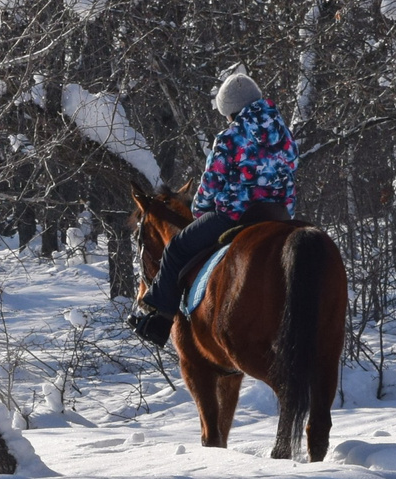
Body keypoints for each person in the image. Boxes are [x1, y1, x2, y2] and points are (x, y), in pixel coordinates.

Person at [128, 67, 298, 347]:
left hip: (236, 215)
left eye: (227, 114)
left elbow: (210, 184)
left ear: (231, 110)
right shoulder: (283, 132)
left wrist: (200, 210)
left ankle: (160, 321)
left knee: (176, 248)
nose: (228, 119)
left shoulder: (230, 137)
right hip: (279, 214)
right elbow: (291, 169)